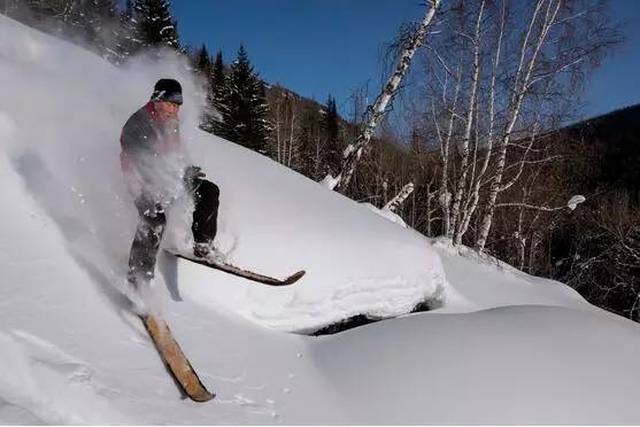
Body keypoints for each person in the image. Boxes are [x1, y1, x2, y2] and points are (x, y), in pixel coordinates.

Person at [120, 78, 220, 288]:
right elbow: (141, 159)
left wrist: (185, 170)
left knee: (209, 190)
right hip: (139, 180)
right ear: (157, 99)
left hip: (167, 178)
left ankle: (203, 244)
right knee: (155, 220)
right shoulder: (138, 123)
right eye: (171, 104)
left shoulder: (171, 124)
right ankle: (138, 280)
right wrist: (163, 175)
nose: (174, 110)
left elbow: (173, 154)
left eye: (178, 106)